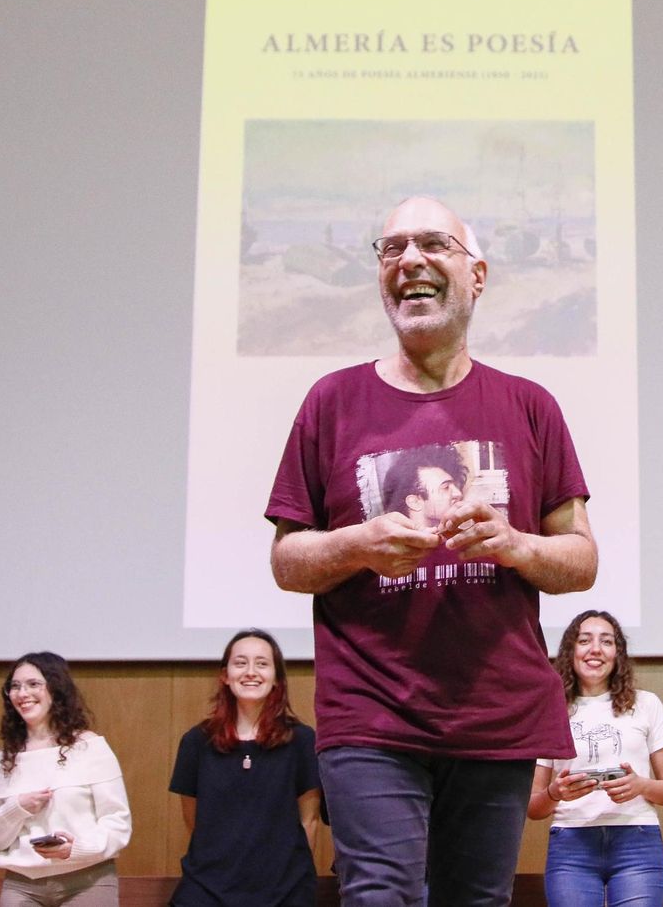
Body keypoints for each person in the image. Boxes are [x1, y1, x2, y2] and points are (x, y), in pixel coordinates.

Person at [268, 196, 598, 906]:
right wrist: (359, 543)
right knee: (381, 894)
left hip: (496, 714)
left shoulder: (530, 406)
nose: (409, 260)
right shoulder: (331, 401)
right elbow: (287, 560)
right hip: (370, 712)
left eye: (431, 245)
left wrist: (513, 544)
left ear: (476, 275)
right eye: (391, 250)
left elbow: (580, 560)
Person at [528, 610, 663, 907]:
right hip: (570, 845)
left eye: (607, 641)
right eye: (584, 640)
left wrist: (640, 786)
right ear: (570, 651)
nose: (595, 649)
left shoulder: (646, 704)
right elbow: (533, 807)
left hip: (637, 841)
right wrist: (555, 793)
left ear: (618, 653)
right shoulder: (550, 709)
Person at [169, 629, 321, 907]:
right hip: (207, 889)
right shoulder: (196, 742)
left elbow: (309, 822)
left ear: (276, 679)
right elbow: (195, 822)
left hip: (285, 891)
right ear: (225, 676)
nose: (251, 672)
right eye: (240, 663)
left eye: (262, 664)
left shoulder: (302, 740)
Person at [0, 652, 130, 906]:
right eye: (15, 686)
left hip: (87, 879)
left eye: (33, 684)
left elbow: (118, 824)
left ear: (56, 689)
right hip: (22, 883)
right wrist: (17, 808)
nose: (22, 694)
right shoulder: (3, 759)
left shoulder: (91, 747)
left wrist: (75, 849)